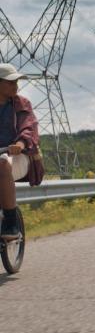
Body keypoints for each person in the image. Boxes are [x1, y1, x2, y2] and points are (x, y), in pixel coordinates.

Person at [0, 63, 40, 239]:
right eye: (10, 82)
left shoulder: (21, 104)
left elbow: (28, 128)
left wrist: (20, 145)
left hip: (17, 157)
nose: (15, 86)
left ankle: (11, 224)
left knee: (2, 165)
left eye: (16, 82)